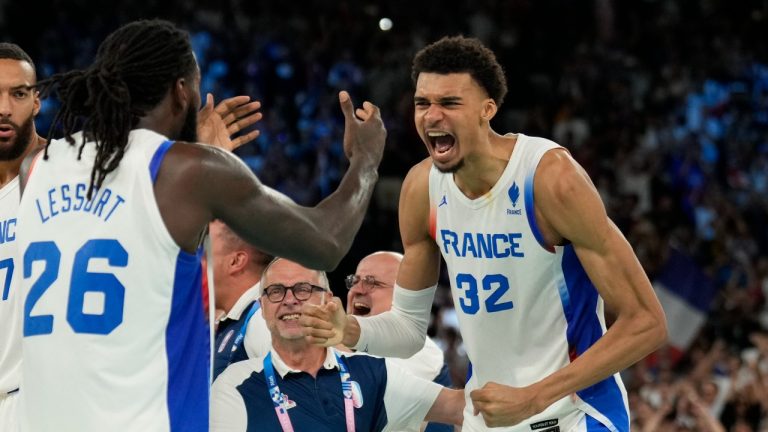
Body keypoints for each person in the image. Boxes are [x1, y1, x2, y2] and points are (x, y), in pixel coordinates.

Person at [15, 19, 385, 432]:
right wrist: (365, 162)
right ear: (181, 92)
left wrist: (198, 155)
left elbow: (125, 219)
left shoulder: (37, 167)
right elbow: (327, 242)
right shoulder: (188, 171)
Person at [301, 36, 667, 431]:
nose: (431, 116)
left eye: (450, 103)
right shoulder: (422, 188)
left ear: (487, 109)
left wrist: (535, 396)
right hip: (491, 418)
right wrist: (350, 330)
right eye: (422, 103)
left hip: (576, 414)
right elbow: (408, 328)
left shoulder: (548, 179)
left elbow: (646, 322)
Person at [210, 258, 464, 432]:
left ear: (328, 300)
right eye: (276, 291)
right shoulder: (235, 385)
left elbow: (459, 407)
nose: (289, 300)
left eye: (303, 289)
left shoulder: (374, 374)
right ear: (262, 307)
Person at [346, 251, 453, 432]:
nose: (357, 290)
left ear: (405, 298)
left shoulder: (421, 351)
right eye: (354, 281)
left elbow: (368, 399)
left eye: (372, 283)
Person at [0, 42, 45, 432]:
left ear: (37, 101)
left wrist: (197, 149)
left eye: (17, 93)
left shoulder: (75, 169)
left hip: (42, 400)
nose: (3, 108)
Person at [210, 219, 273, 379]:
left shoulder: (262, 321)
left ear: (236, 261)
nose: (197, 263)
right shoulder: (237, 319)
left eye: (204, 254)